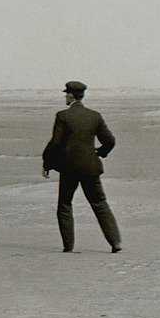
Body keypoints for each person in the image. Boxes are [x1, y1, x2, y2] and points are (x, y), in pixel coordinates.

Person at [42, 80, 122, 253]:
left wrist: (47, 163)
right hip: (90, 167)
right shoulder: (95, 116)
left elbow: (55, 143)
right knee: (100, 203)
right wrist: (100, 152)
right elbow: (110, 141)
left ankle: (68, 247)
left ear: (71, 95)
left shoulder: (63, 116)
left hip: (69, 168)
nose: (65, 96)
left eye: (66, 94)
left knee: (65, 205)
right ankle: (115, 243)